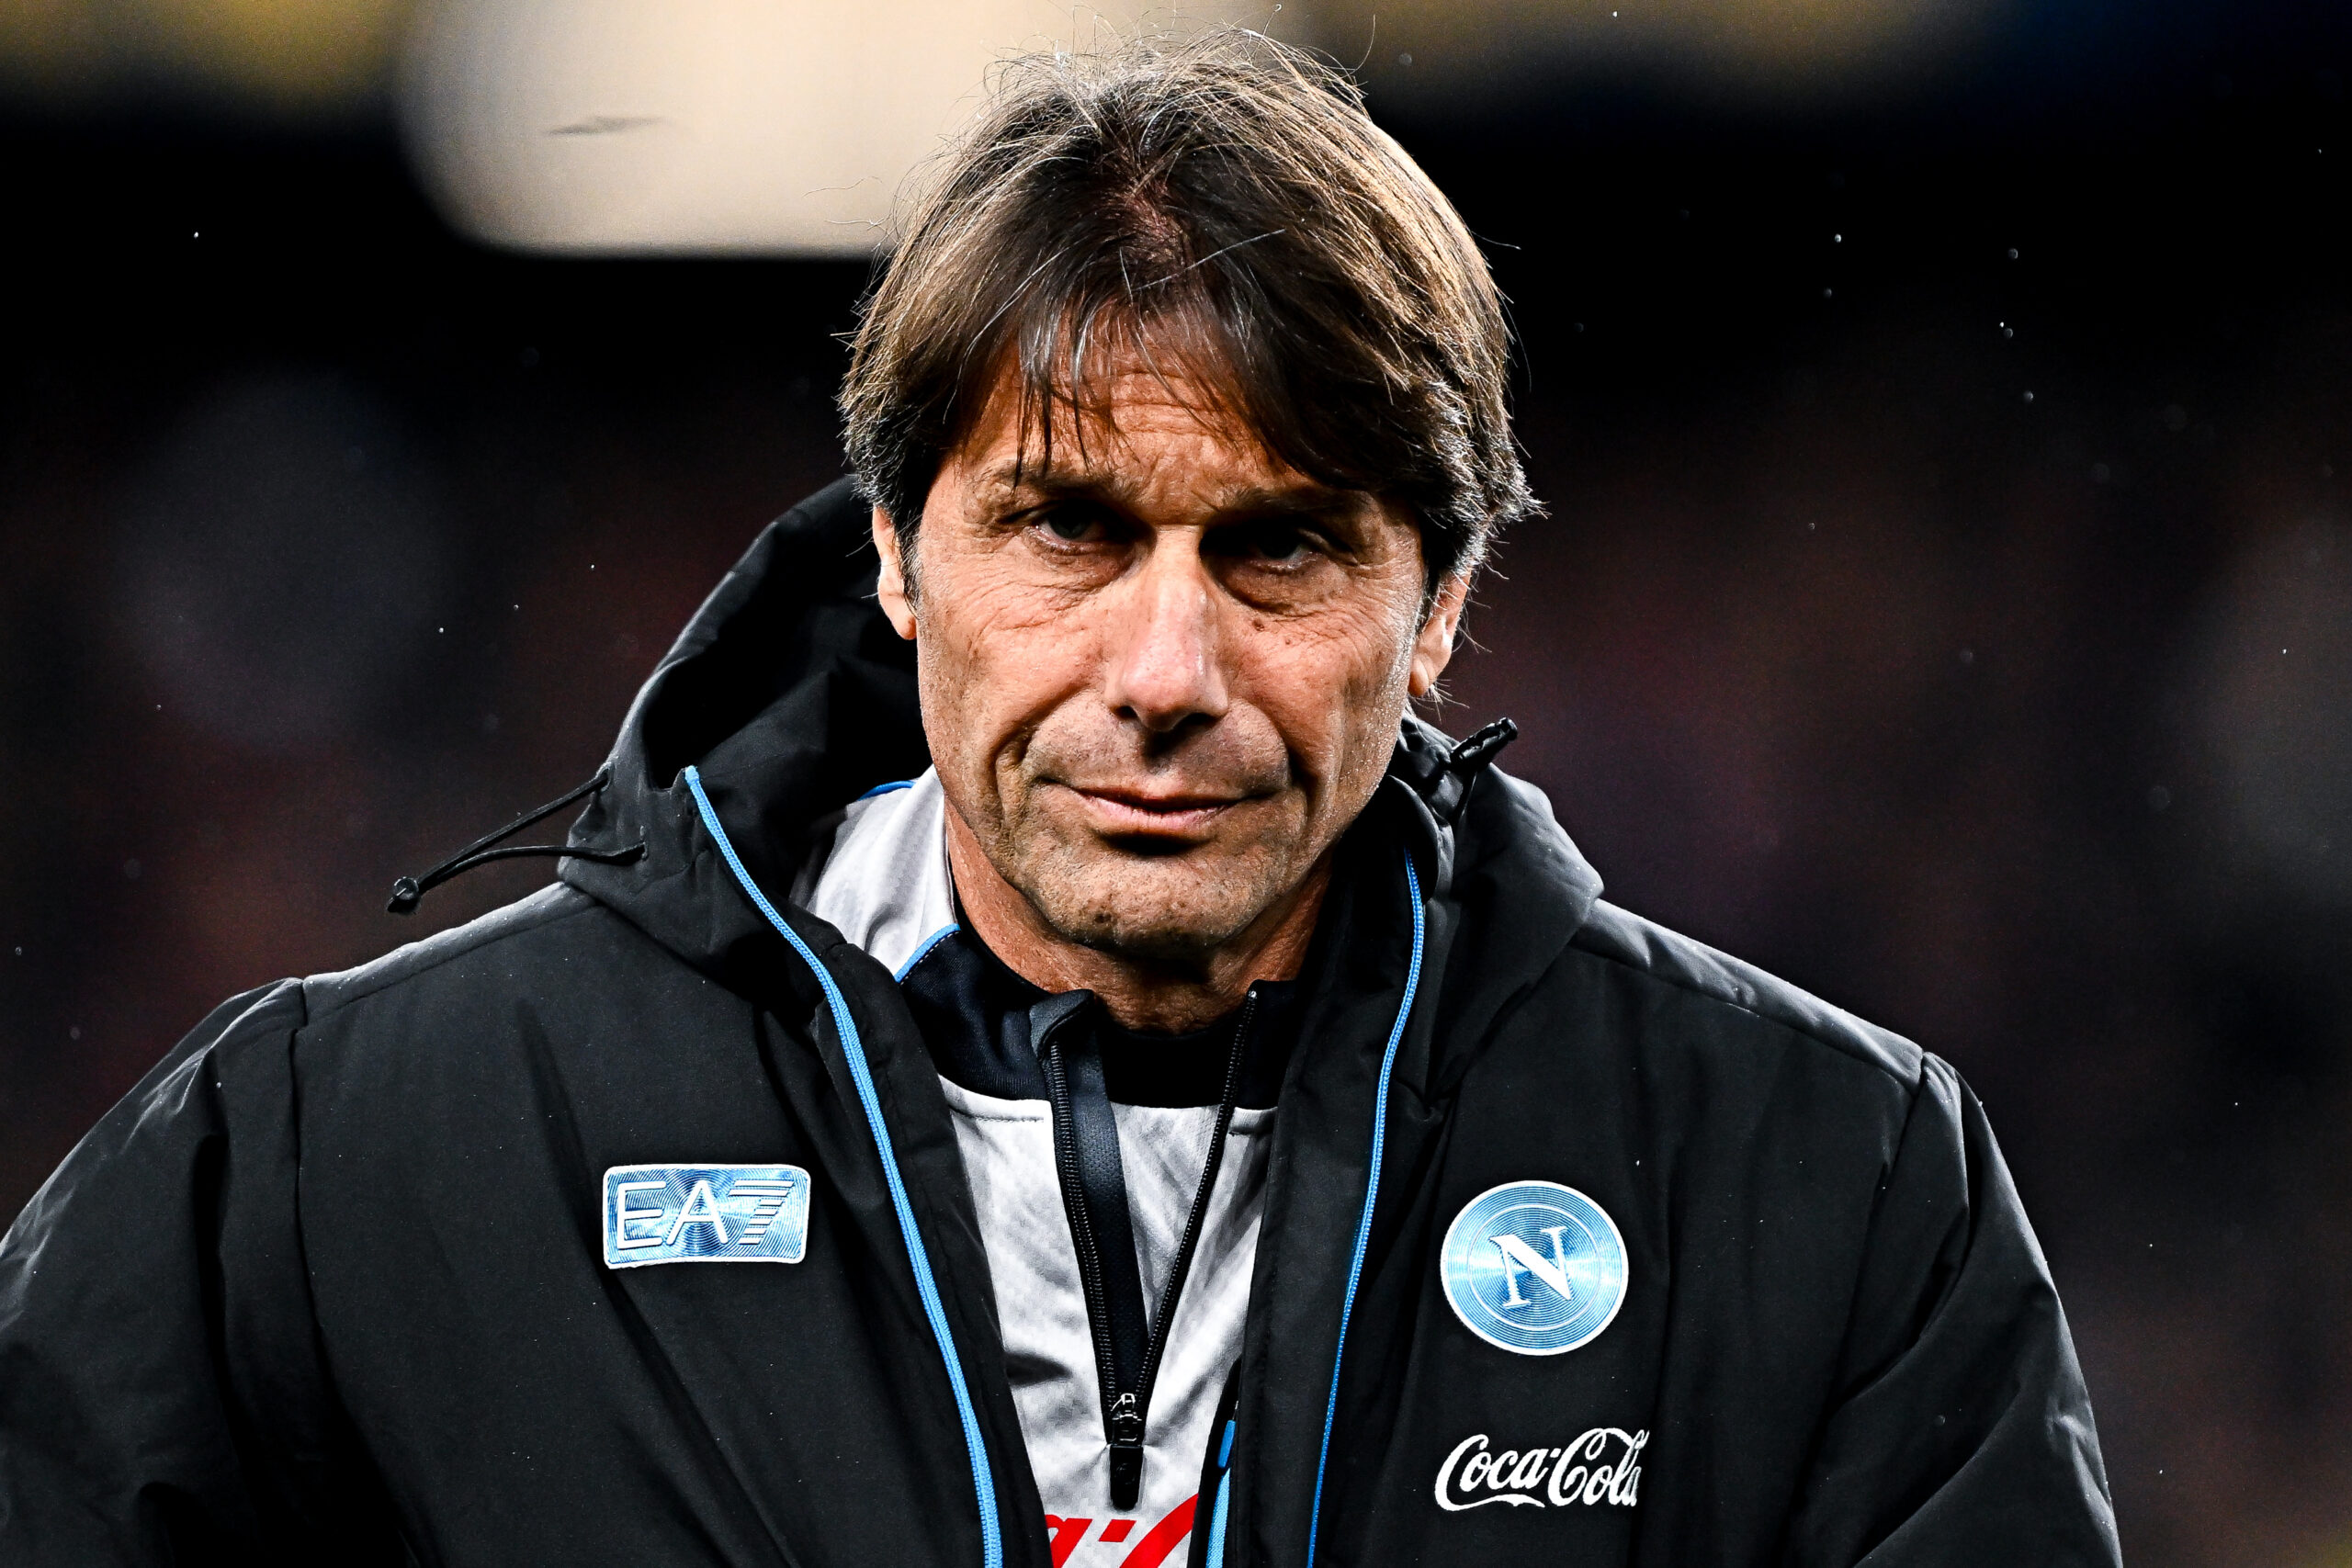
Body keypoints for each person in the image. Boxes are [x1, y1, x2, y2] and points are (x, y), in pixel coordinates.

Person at [0, 30, 2120, 1568]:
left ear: (1441, 604)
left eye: (1277, 547)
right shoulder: (344, 1160)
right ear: (895, 553)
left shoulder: (1825, 1188)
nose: (1164, 670)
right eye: (1067, 531)